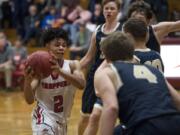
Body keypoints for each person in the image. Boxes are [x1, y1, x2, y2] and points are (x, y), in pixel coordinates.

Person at [95, 31, 180, 135]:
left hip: (145, 126)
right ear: (132, 51)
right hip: (174, 123)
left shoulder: (108, 72)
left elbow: (111, 108)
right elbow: (178, 100)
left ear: (106, 56)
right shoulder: (154, 70)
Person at [23, 28, 86, 135]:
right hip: (43, 118)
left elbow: (81, 84)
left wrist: (60, 71)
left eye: (64, 45)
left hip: (62, 121)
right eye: (57, 45)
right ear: (47, 46)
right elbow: (29, 100)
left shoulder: (73, 65)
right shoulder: (40, 71)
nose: (61, 48)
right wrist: (27, 81)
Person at [77, 0, 122, 134]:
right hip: (95, 76)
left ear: (118, 11)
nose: (108, 11)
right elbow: (89, 57)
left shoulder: (123, 30)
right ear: (102, 10)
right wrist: (71, 68)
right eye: (106, 8)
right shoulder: (97, 30)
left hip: (114, 76)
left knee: (104, 115)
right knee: (86, 115)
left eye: (112, 9)